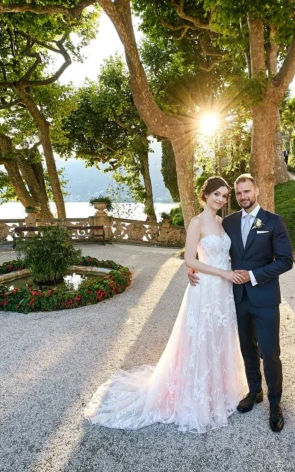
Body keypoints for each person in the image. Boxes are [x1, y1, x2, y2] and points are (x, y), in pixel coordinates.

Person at [84, 176, 248, 433]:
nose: (221, 199)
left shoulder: (221, 222)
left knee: (220, 335)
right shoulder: (197, 222)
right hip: (205, 289)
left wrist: (229, 271)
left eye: (225, 196)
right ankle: (196, 395)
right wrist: (222, 273)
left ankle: (220, 390)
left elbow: (222, 254)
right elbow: (189, 260)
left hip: (223, 292)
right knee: (200, 338)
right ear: (204, 195)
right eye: (217, 194)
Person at [189, 174, 293, 432]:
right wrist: (191, 269)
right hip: (236, 297)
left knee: (270, 352)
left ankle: (275, 403)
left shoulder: (274, 222)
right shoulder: (229, 222)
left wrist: (254, 275)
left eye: (247, 191)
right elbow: (206, 251)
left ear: (256, 191)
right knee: (247, 348)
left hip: (265, 297)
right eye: (238, 194)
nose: (242, 197)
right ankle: (255, 391)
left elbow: (285, 261)